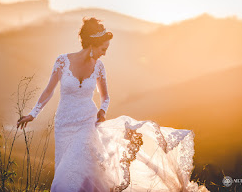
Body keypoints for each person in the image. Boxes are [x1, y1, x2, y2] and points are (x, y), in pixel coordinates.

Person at [17, 17, 210, 192]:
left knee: (70, 176)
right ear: (92, 44)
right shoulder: (62, 61)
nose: (104, 54)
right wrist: (33, 114)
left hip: (87, 124)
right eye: (103, 49)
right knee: (68, 170)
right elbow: (49, 90)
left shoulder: (99, 67)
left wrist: (102, 111)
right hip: (63, 126)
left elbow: (106, 97)